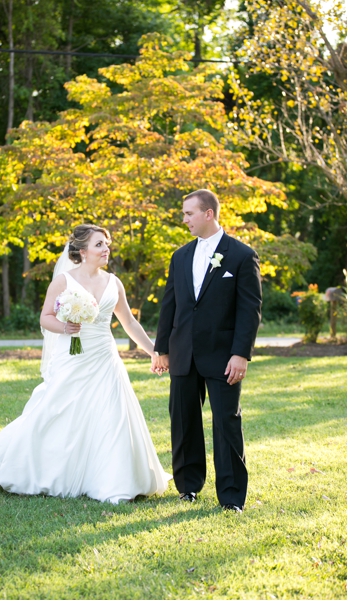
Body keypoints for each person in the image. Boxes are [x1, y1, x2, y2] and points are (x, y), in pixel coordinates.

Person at [0, 224, 170, 504]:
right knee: (56, 411)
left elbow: (129, 323)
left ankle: (113, 480)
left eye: (107, 243)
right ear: (81, 250)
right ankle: (36, 466)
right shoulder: (63, 281)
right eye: (99, 244)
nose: (106, 249)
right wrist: (65, 327)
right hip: (72, 357)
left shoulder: (114, 282)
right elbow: (45, 318)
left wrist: (154, 351)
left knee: (111, 416)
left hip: (104, 357)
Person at [154, 189, 262, 514]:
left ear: (208, 214)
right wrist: (161, 348)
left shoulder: (242, 255)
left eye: (188, 214)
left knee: (227, 422)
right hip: (183, 352)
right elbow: (169, 305)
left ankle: (231, 497)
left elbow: (250, 309)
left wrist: (241, 354)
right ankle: (188, 487)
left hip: (223, 355)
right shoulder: (180, 256)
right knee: (183, 420)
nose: (184, 219)